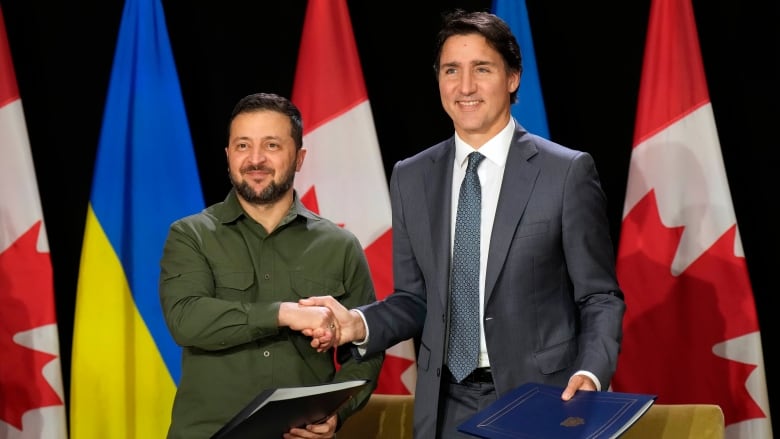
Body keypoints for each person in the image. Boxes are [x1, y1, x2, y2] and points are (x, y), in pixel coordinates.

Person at [300, 9, 625, 438]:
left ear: (512, 79)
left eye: (482, 69)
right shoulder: (411, 176)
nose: (465, 86)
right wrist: (356, 324)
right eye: (452, 70)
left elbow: (599, 296)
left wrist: (591, 371)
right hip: (443, 405)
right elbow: (413, 300)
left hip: (540, 398)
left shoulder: (565, 172)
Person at [158, 92, 383, 439]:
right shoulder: (191, 235)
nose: (256, 159)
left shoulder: (340, 246)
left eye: (272, 146)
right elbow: (187, 320)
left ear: (299, 157)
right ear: (228, 156)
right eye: (243, 146)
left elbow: (366, 350)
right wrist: (284, 313)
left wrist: (337, 413)